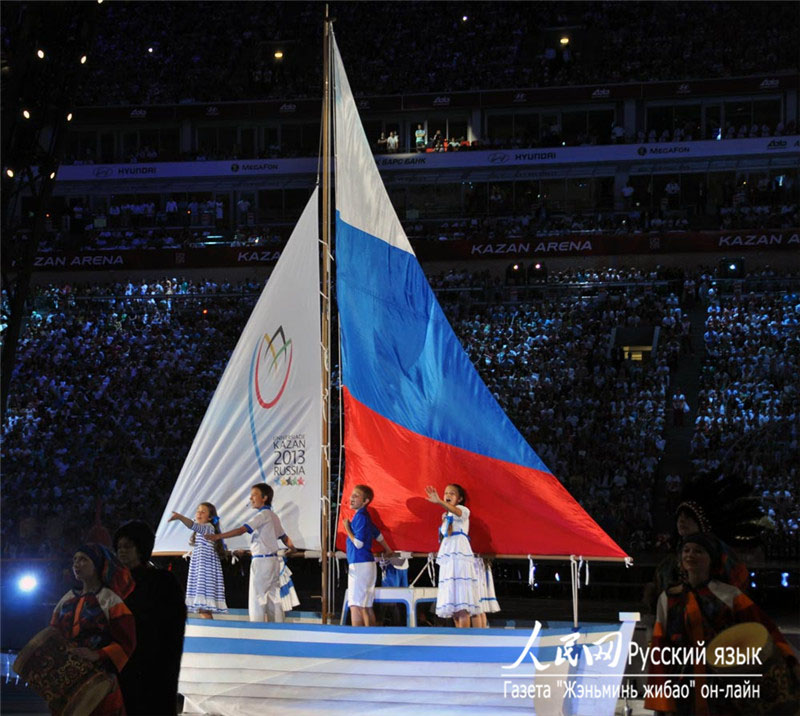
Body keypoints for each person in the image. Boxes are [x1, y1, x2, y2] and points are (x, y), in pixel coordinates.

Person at [646, 533, 800, 715]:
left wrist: (790, 661)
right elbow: (660, 647)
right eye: (686, 550)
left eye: (698, 551)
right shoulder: (668, 598)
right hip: (682, 683)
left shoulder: (730, 595)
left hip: (725, 683)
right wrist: (661, 698)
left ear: (711, 559)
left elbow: (764, 628)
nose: (690, 555)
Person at [50, 544, 137, 715]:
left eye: (83, 559)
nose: (76, 564)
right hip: (68, 681)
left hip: (99, 681)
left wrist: (97, 654)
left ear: (97, 565)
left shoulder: (110, 600)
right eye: (74, 560)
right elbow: (53, 634)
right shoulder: (66, 599)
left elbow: (128, 641)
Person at [114, 520, 186, 716]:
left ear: (141, 548)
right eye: (119, 547)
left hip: (154, 662)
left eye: (128, 546)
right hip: (122, 661)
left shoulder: (162, 581)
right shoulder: (114, 582)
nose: (122, 552)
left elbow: (172, 628)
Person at [206, 484, 296, 622]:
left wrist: (218, 537)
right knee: (274, 598)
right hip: (273, 561)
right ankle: (278, 628)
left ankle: (256, 628)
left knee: (257, 598)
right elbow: (284, 537)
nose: (251, 498)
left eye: (254, 495)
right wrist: (293, 549)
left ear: (264, 498)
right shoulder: (273, 516)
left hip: (261, 562)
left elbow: (242, 530)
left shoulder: (262, 515)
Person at [425, 484, 480, 628]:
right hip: (448, 554)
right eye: (446, 493)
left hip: (459, 553)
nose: (448, 495)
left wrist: (440, 502)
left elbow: (457, 512)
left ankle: (465, 639)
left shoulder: (462, 510)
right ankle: (459, 636)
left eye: (452, 493)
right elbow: (444, 535)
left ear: (460, 498)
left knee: (462, 603)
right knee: (454, 603)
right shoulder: (446, 515)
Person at [342, 484, 394, 627]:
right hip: (367, 564)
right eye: (352, 495)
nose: (351, 498)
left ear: (365, 501)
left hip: (359, 564)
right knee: (365, 605)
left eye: (356, 496)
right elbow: (378, 535)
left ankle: (357, 638)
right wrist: (388, 550)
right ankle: (371, 636)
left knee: (355, 605)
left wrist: (347, 528)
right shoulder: (365, 517)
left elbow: (358, 543)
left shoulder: (360, 517)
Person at [168, 503, 228, 618]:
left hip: (205, 571)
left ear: (210, 517)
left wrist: (180, 517)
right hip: (200, 569)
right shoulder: (202, 530)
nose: (199, 513)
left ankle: (209, 631)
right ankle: (207, 629)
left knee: (204, 606)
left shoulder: (208, 527)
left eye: (203, 512)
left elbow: (193, 525)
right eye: (198, 511)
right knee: (202, 607)